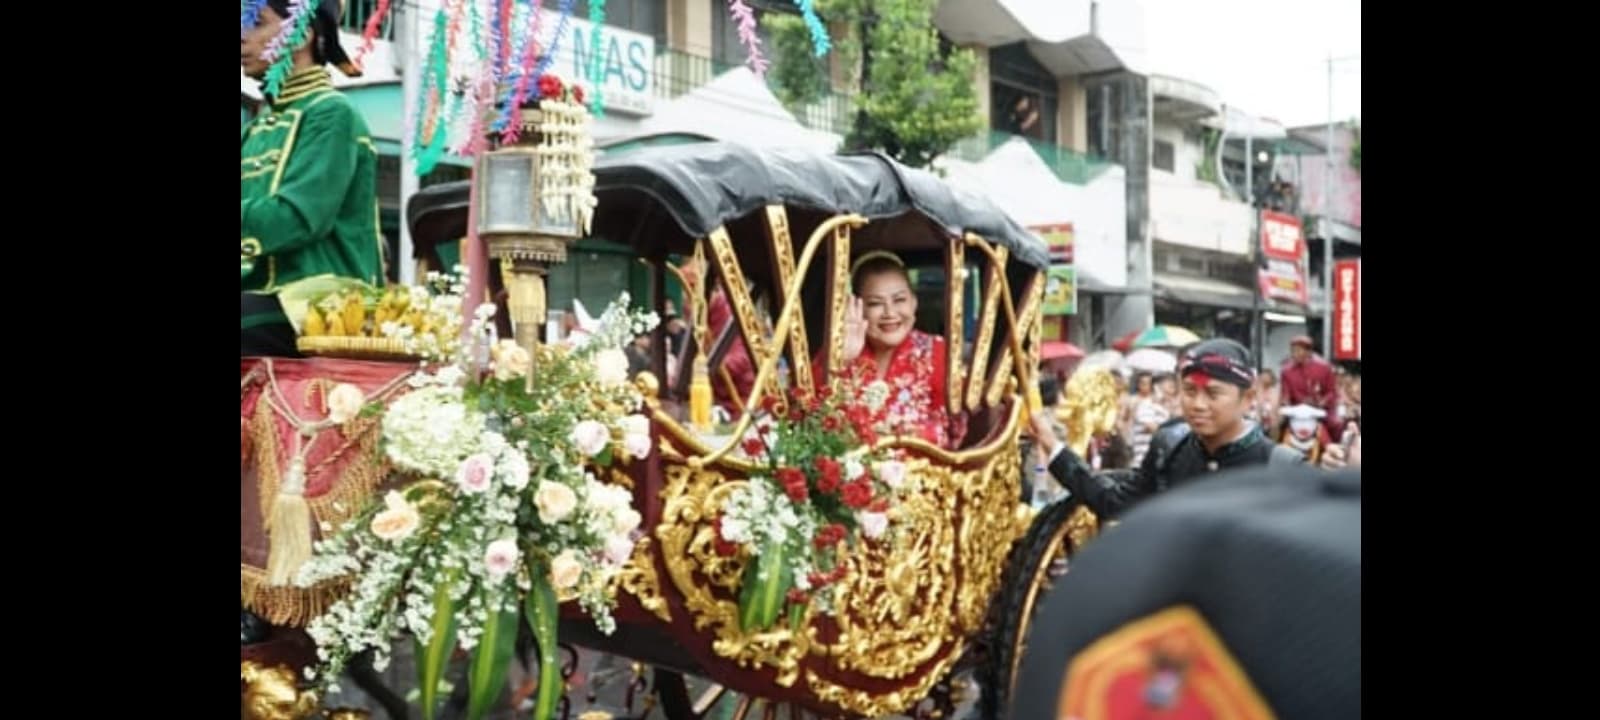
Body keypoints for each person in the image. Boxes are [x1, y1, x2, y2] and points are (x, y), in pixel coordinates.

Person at [1026, 338, 1303, 520]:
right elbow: (1116, 503)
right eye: (1189, 391)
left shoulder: (1282, 468)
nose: (1198, 404)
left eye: (1213, 394)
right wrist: (1054, 447)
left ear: (1248, 399)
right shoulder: (1170, 447)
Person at [241, 0, 382, 357]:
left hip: (321, 300)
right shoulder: (256, 126)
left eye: (256, 23)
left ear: (303, 35)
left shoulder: (331, 113)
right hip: (261, 297)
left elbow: (299, 218)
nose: (242, 37)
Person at [829, 251, 964, 448]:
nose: (890, 313)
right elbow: (814, 419)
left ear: (914, 303)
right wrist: (843, 360)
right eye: (875, 303)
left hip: (925, 472)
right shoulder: (837, 353)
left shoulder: (937, 352)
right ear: (856, 308)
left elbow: (954, 427)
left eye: (899, 300)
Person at [1280, 336, 1340, 437]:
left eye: (1298, 350)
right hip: (1296, 411)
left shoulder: (1324, 367)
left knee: (1336, 424)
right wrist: (1284, 403)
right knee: (1279, 426)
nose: (1294, 354)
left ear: (1308, 352)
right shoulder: (1286, 371)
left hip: (1321, 410)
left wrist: (1321, 402)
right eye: (1293, 350)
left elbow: (1332, 392)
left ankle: (1335, 449)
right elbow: (1285, 394)